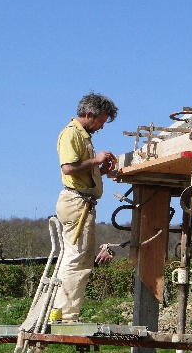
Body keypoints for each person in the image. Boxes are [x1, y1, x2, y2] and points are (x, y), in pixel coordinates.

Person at [53, 92, 118, 322]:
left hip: (82, 201)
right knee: (75, 258)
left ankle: (64, 313)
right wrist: (96, 161)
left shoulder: (83, 136)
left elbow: (81, 172)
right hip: (75, 203)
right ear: (89, 115)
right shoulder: (71, 133)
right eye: (101, 120)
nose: (101, 126)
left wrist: (100, 171)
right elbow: (68, 168)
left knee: (80, 259)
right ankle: (63, 315)